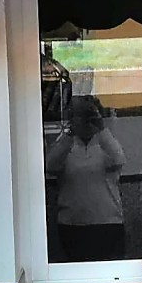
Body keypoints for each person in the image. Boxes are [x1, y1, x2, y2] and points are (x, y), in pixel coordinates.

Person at [46, 95, 126, 262]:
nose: (87, 121)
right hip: (72, 224)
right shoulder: (66, 146)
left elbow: (119, 159)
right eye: (81, 116)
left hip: (107, 222)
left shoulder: (107, 144)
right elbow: (51, 165)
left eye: (90, 116)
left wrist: (101, 128)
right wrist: (70, 133)